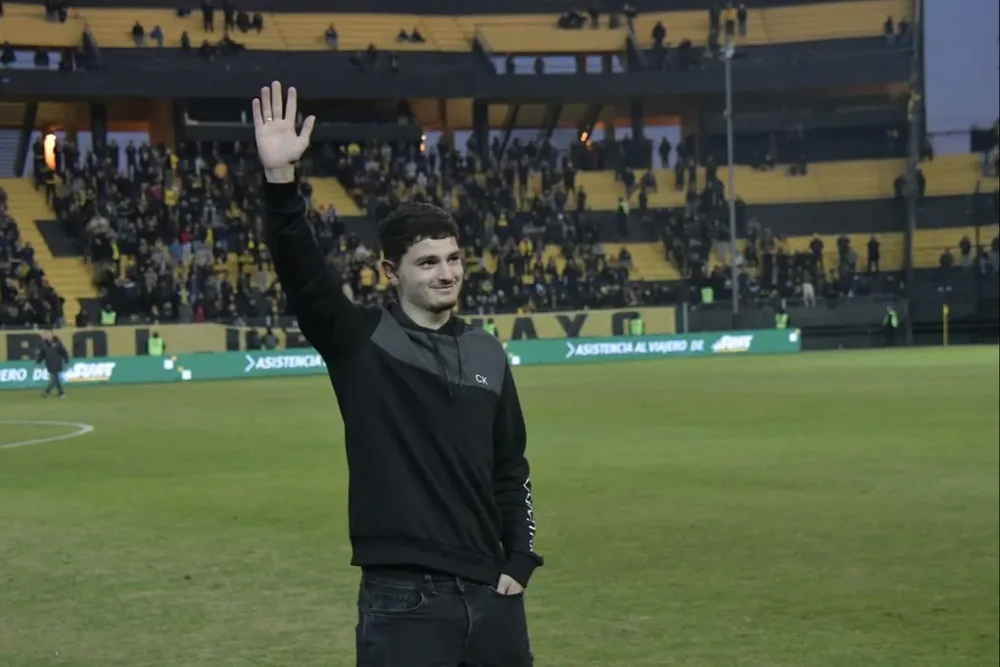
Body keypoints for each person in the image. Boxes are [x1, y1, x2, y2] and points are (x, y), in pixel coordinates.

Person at [253, 81, 541, 667]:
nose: (447, 273)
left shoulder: (488, 352)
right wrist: (281, 184)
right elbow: (305, 278)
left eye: (454, 258)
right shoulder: (361, 343)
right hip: (403, 600)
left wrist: (519, 560)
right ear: (391, 270)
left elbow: (511, 467)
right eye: (428, 262)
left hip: (493, 595)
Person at [36, 329, 70, 398]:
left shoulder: (57, 342)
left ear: (52, 335)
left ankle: (60, 393)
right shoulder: (43, 344)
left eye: (49, 334)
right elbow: (42, 354)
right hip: (49, 363)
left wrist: (66, 360)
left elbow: (63, 352)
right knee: (55, 378)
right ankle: (49, 392)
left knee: (55, 378)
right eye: (46, 334)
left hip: (57, 362)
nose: (48, 336)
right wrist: (38, 361)